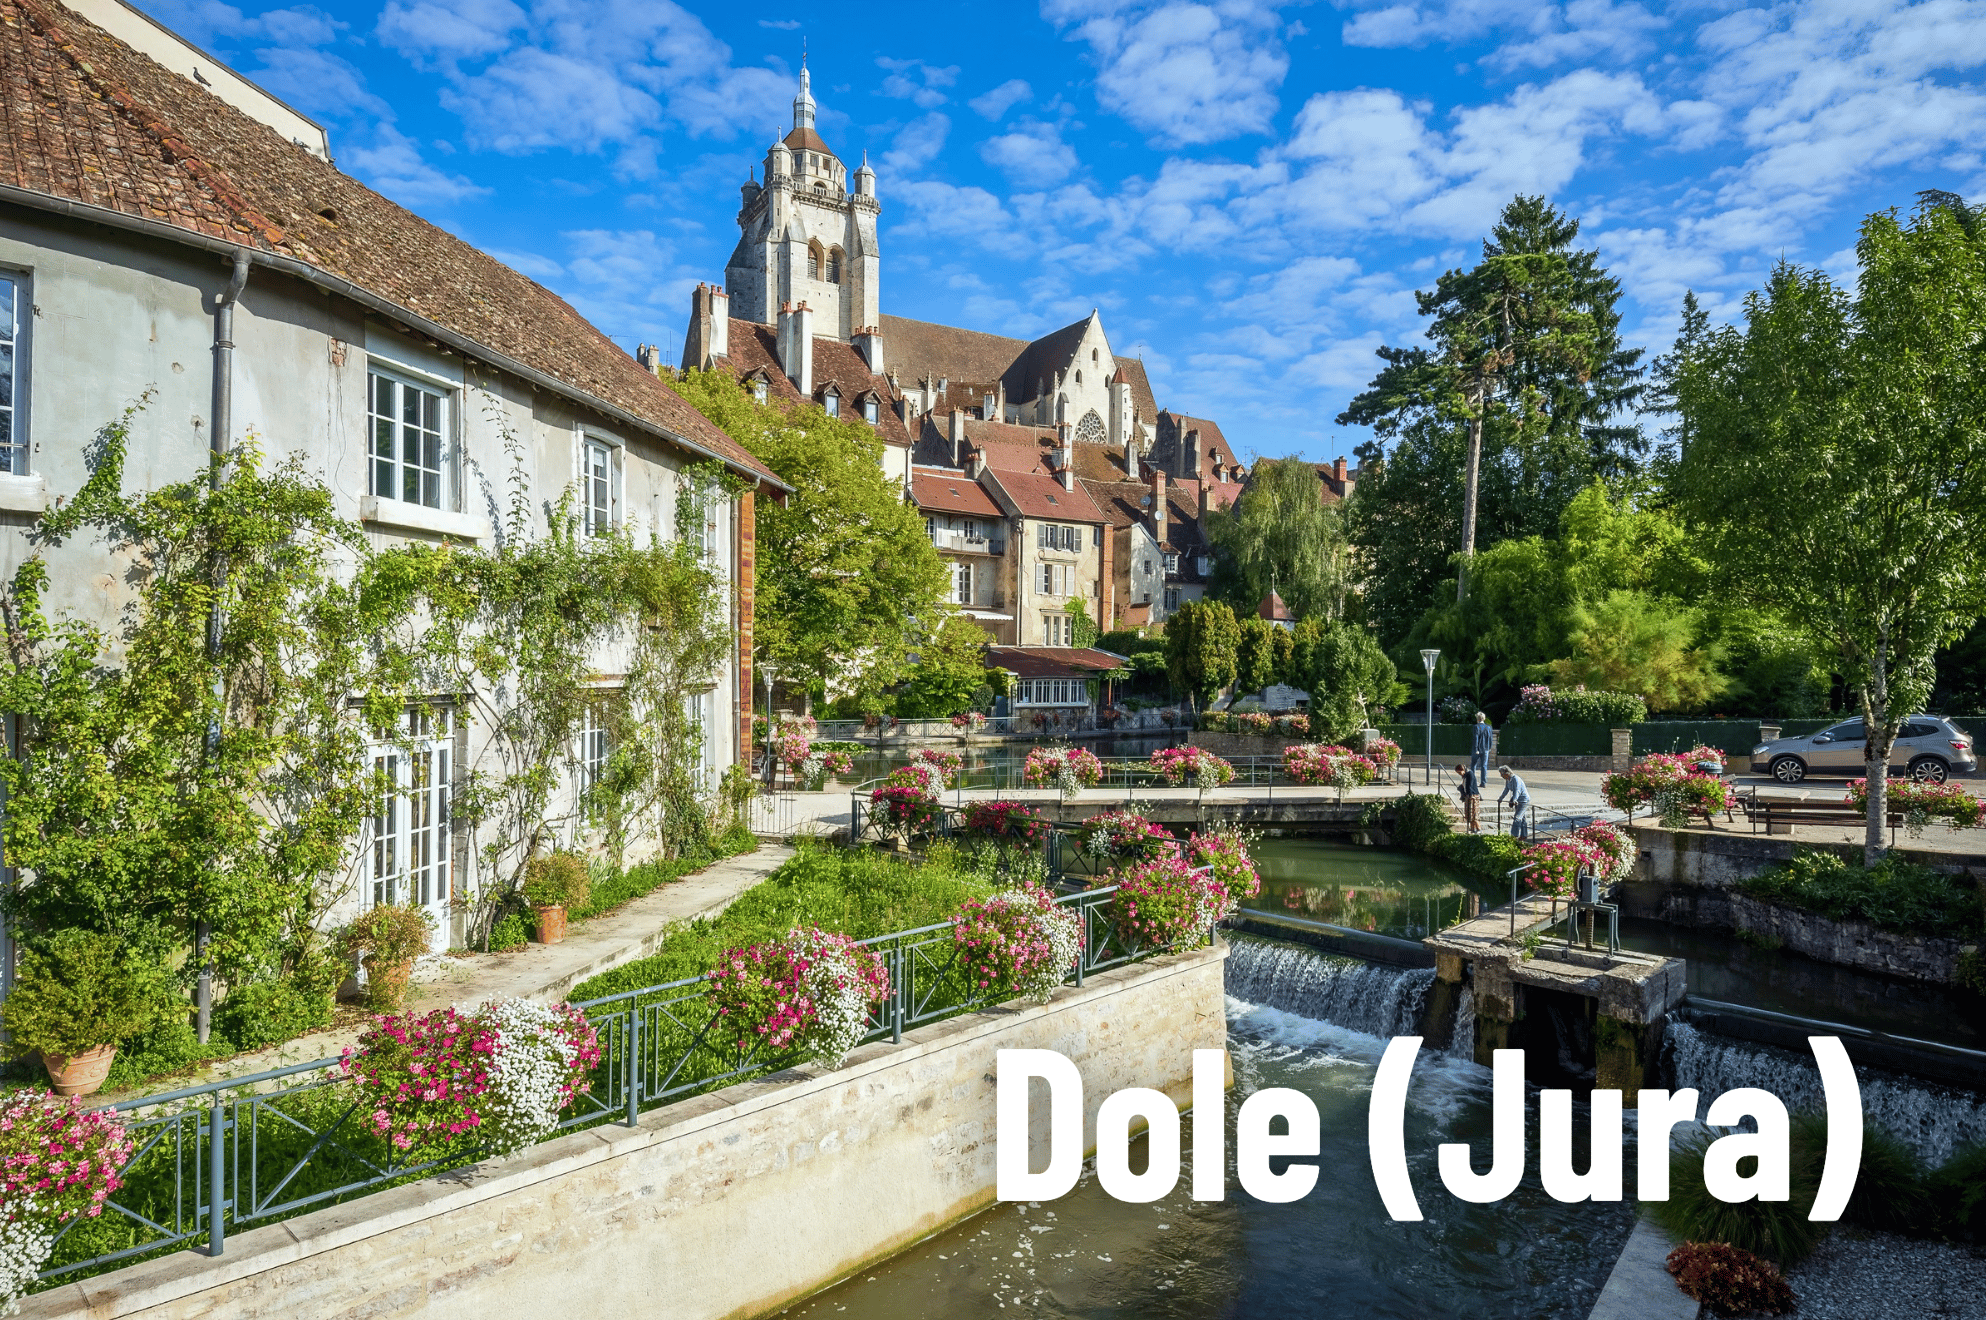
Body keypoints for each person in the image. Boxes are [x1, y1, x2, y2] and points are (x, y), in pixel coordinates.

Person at [1497, 766, 1530, 839]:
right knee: (1522, 818)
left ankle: (1514, 835)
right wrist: (1501, 798)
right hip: (1517, 800)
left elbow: (1517, 790)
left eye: (1501, 774)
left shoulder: (1516, 779)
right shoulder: (1508, 779)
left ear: (1506, 773)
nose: (1501, 776)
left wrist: (1514, 800)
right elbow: (1506, 789)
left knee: (1517, 818)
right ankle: (1524, 835)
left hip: (1523, 800)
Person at [1453, 762, 1480, 832]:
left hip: (1472, 796)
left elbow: (1469, 786)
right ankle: (1472, 828)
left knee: (1474, 814)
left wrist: (1468, 794)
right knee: (1469, 815)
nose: (1459, 774)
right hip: (1468, 796)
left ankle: (1478, 829)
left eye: (1459, 772)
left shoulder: (1469, 774)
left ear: (1463, 770)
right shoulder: (1465, 775)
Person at [1470, 712, 1494, 788]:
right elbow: (1490, 738)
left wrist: (1476, 748)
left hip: (1477, 749)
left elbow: (1476, 738)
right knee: (1484, 766)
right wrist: (1489, 747)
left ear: (1478, 718)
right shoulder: (1489, 727)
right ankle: (1483, 782)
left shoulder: (1476, 727)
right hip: (1486, 749)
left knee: (1473, 765)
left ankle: (1472, 781)